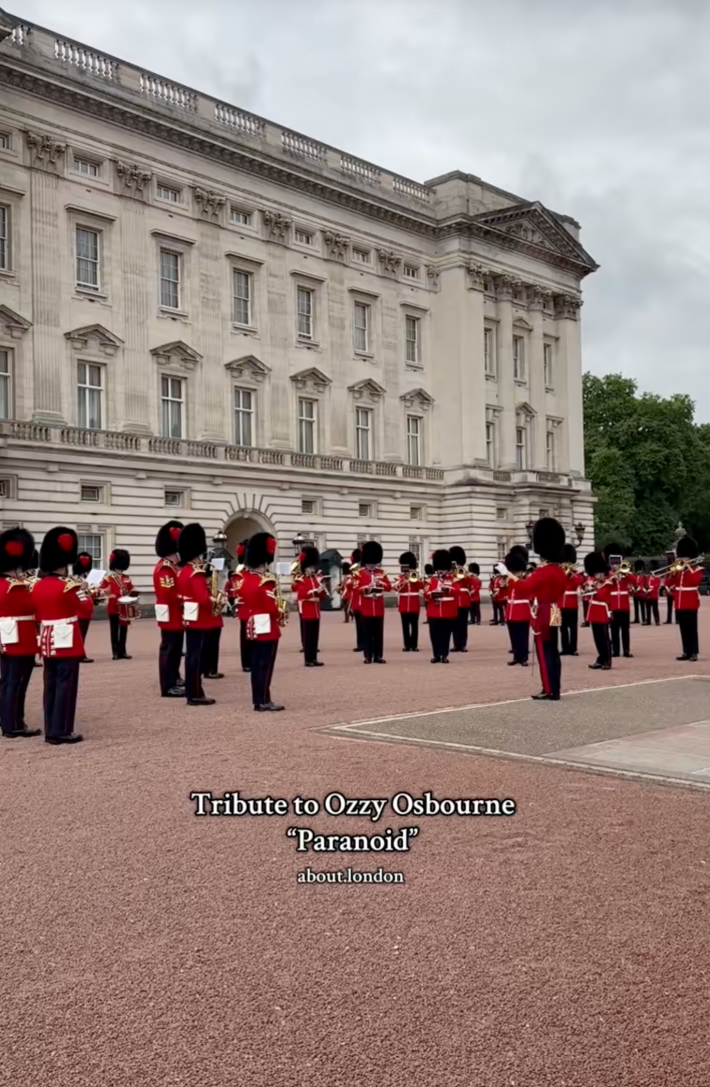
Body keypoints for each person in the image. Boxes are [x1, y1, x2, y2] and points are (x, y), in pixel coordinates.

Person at [31, 527, 94, 744]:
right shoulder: (69, 586)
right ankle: (61, 731)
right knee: (66, 685)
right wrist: (84, 589)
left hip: (47, 638)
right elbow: (86, 609)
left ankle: (51, 728)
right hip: (66, 639)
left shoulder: (38, 586)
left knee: (50, 684)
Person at [515, 518, 567, 701]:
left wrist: (508, 575)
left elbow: (524, 589)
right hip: (555, 611)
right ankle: (555, 688)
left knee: (544, 652)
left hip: (543, 613)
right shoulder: (559, 571)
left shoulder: (543, 572)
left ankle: (549, 689)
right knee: (553, 650)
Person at [0, 527, 41, 738]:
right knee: (17, 682)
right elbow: (33, 606)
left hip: (8, 638)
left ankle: (8, 720)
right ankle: (13, 724)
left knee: (8, 681)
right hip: (20, 639)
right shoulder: (15, 586)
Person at [239, 532, 285, 710]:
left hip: (253, 626)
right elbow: (271, 608)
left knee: (257, 664)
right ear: (264, 562)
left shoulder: (245, 579)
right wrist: (280, 610)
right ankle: (263, 700)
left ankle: (258, 699)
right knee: (264, 665)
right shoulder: (264, 582)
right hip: (266, 628)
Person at [177, 523, 218, 706]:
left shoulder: (184, 571)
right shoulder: (196, 572)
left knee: (192, 655)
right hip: (200, 618)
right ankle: (194, 694)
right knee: (197, 657)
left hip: (189, 616)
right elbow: (202, 598)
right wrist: (215, 601)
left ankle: (193, 691)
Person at [153, 520, 185, 697]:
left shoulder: (173, 567)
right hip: (171, 613)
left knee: (176, 649)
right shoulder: (165, 568)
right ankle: (168, 685)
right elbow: (169, 594)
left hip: (176, 613)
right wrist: (187, 598)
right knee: (169, 649)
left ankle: (174, 677)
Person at [667, 537, 703, 661]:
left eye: (685, 556)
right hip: (679, 602)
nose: (683, 559)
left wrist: (688, 567)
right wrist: (673, 573)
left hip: (691, 601)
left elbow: (695, 581)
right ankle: (686, 651)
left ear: (691, 556)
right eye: (682, 556)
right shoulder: (678, 570)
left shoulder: (697, 569)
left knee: (692, 628)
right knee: (683, 628)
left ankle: (694, 652)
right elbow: (669, 583)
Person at [355, 541, 391, 664]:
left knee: (378, 634)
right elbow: (356, 589)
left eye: (373, 563)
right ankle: (368, 656)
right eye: (370, 563)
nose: (372, 565)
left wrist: (381, 583)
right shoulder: (359, 574)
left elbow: (389, 587)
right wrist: (367, 587)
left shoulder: (381, 573)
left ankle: (378, 656)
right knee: (366, 633)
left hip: (378, 607)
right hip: (366, 607)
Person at [295, 546, 328, 666]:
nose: (312, 570)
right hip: (307, 611)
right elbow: (302, 594)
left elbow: (322, 597)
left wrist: (322, 590)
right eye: (310, 568)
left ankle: (314, 658)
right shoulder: (301, 580)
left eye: (313, 568)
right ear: (305, 569)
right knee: (308, 637)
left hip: (316, 611)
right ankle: (307, 659)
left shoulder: (316, 579)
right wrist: (314, 591)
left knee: (315, 637)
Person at [100, 549, 135, 660]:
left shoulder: (127, 578)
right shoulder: (108, 579)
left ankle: (122, 651)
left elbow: (131, 590)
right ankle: (115, 652)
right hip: (114, 607)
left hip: (125, 608)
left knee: (124, 630)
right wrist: (107, 592)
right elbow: (101, 590)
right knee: (114, 630)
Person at [424, 549, 457, 663]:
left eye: (443, 569)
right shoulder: (431, 580)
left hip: (448, 611)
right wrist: (431, 594)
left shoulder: (453, 579)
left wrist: (448, 589)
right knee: (434, 635)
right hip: (434, 611)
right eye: (439, 569)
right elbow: (425, 593)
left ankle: (444, 655)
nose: (441, 571)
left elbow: (457, 591)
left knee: (446, 635)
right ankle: (436, 655)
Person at [603, 543, 634, 659]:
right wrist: (612, 574)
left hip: (624, 605)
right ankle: (615, 650)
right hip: (613, 604)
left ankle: (626, 650)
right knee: (614, 629)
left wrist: (625, 573)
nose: (615, 564)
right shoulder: (608, 574)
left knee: (625, 629)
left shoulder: (625, 572)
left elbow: (634, 580)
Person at [503, 550, 530, 666]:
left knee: (523, 635)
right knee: (513, 635)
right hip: (511, 610)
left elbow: (522, 588)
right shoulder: (510, 579)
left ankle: (523, 657)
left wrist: (512, 578)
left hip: (522, 610)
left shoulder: (526, 578)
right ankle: (516, 656)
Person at [200, 556, 225, 681]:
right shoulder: (202, 587)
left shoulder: (211, 587)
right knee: (208, 646)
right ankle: (207, 670)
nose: (209, 580)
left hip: (215, 619)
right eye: (208, 577)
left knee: (213, 646)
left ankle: (212, 669)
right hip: (207, 619)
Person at [394, 551, 423, 652]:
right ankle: (407, 645)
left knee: (414, 625)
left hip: (414, 603)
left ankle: (414, 645)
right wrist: (403, 580)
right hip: (404, 604)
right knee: (405, 626)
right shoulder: (400, 577)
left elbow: (422, 586)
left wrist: (414, 579)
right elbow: (396, 588)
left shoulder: (416, 576)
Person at [72, 552, 96, 663]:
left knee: (83, 634)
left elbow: (90, 593)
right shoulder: (74, 579)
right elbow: (75, 594)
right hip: (79, 610)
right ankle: (79, 654)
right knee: (79, 635)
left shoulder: (86, 578)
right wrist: (82, 588)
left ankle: (80, 653)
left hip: (87, 610)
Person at [560, 544, 583, 656]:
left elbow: (579, 582)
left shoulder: (576, 573)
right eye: (565, 562)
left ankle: (573, 648)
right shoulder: (559, 573)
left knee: (573, 627)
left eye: (568, 562)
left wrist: (571, 574)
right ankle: (565, 648)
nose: (566, 564)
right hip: (560, 603)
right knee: (562, 627)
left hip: (572, 604)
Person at [449, 546, 471, 652]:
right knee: (454, 623)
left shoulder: (464, 571)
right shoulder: (450, 571)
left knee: (463, 624)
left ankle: (462, 644)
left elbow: (471, 582)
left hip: (464, 600)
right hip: (454, 600)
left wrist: (466, 575)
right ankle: (456, 644)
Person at [632, 560, 647, 625]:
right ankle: (636, 619)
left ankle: (644, 619)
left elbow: (644, 584)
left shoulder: (643, 577)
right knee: (636, 607)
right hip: (635, 594)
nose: (638, 572)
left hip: (641, 593)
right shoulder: (635, 576)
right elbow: (633, 583)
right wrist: (633, 588)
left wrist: (639, 588)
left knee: (642, 607)